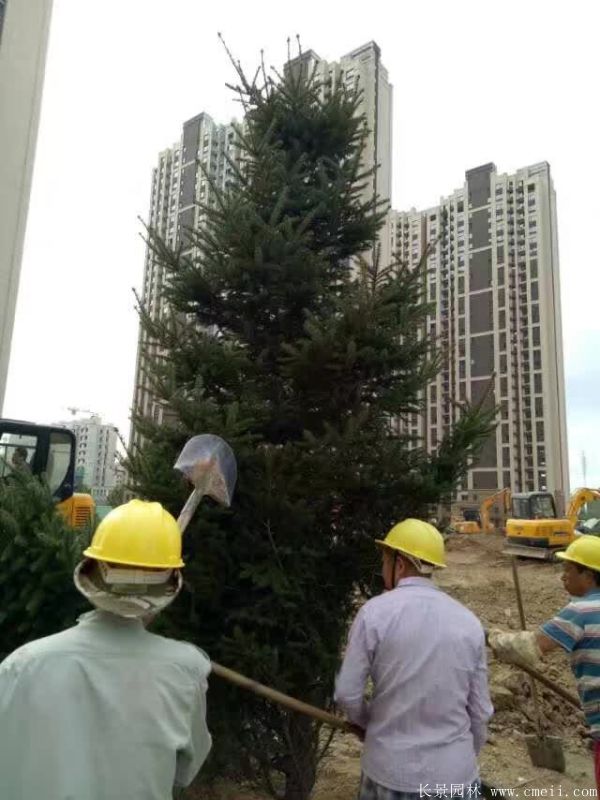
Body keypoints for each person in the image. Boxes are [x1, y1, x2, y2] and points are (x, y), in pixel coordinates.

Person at [0, 498, 212, 800]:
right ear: (170, 586)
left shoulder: (21, 665)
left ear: (90, 574)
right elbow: (185, 772)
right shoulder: (185, 671)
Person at [335, 518, 493, 800]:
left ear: (399, 564)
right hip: (455, 777)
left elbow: (347, 693)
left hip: (389, 774)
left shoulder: (374, 613)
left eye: (385, 560)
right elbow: (480, 712)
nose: (382, 569)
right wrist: (459, 758)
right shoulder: (469, 622)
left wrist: (367, 725)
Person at [489, 535, 600, 793]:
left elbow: (529, 647)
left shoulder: (580, 611)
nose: (563, 577)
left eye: (569, 570)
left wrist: (490, 637)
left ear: (589, 575)